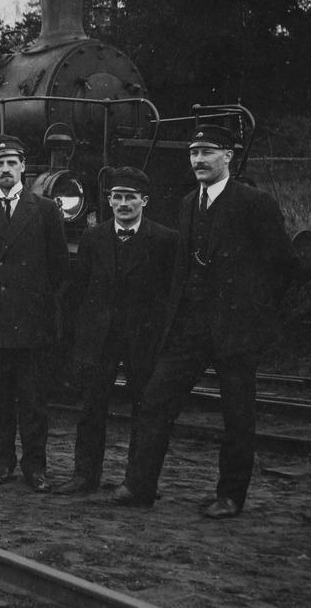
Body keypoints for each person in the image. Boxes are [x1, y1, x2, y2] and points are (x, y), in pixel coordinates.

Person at [113, 125, 296, 518]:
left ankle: (230, 496)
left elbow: (281, 264)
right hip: (191, 325)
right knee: (155, 400)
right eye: (194, 152)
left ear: (228, 156)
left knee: (237, 415)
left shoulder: (254, 202)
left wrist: (255, 308)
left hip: (236, 327)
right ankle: (139, 486)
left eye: (207, 152)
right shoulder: (187, 203)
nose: (198, 159)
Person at [55, 167, 177, 495]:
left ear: (144, 201)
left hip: (143, 339)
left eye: (130, 197)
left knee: (146, 410)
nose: (123, 204)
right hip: (100, 338)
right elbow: (79, 290)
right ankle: (84, 476)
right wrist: (81, 336)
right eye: (117, 197)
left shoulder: (165, 240)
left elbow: (171, 294)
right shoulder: (93, 238)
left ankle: (138, 482)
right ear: (109, 200)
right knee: (91, 408)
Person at [0, 134, 69, 493]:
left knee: (34, 402)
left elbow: (59, 267)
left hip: (31, 325)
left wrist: (44, 310)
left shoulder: (45, 210)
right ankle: (2, 463)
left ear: (23, 166)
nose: (5, 169)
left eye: (12, 162)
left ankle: (35, 468)